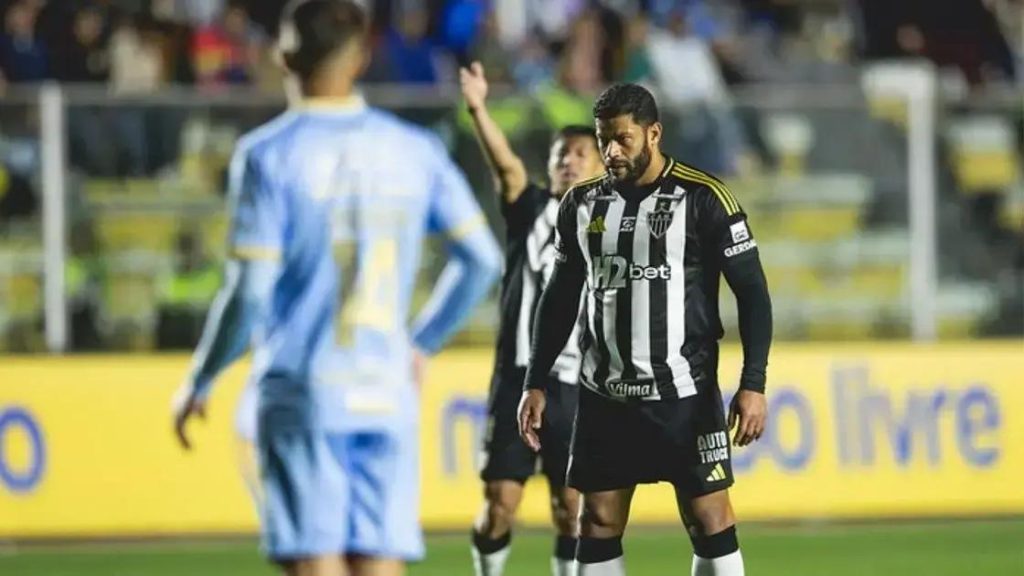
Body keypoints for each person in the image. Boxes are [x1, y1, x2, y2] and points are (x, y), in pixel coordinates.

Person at [171, 2, 502, 576]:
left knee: (316, 564)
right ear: (362, 57)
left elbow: (249, 291)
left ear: (284, 56)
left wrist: (201, 378)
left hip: (305, 391)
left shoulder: (268, 155)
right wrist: (420, 343)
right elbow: (482, 260)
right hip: (387, 391)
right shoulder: (413, 149)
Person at [518, 83, 772, 576]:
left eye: (623, 139)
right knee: (597, 519)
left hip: (684, 394)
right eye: (604, 140)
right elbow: (560, 298)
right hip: (605, 396)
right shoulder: (581, 205)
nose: (611, 151)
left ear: (653, 134)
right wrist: (536, 379)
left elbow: (753, 294)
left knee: (709, 518)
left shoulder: (704, 198)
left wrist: (753, 383)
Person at [459, 61, 605, 576]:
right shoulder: (531, 210)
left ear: (599, 167)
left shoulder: (610, 225)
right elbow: (506, 168)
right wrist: (478, 109)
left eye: (580, 153)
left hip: (578, 387)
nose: (568, 160)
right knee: (500, 502)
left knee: (571, 509)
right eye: (561, 153)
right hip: (517, 379)